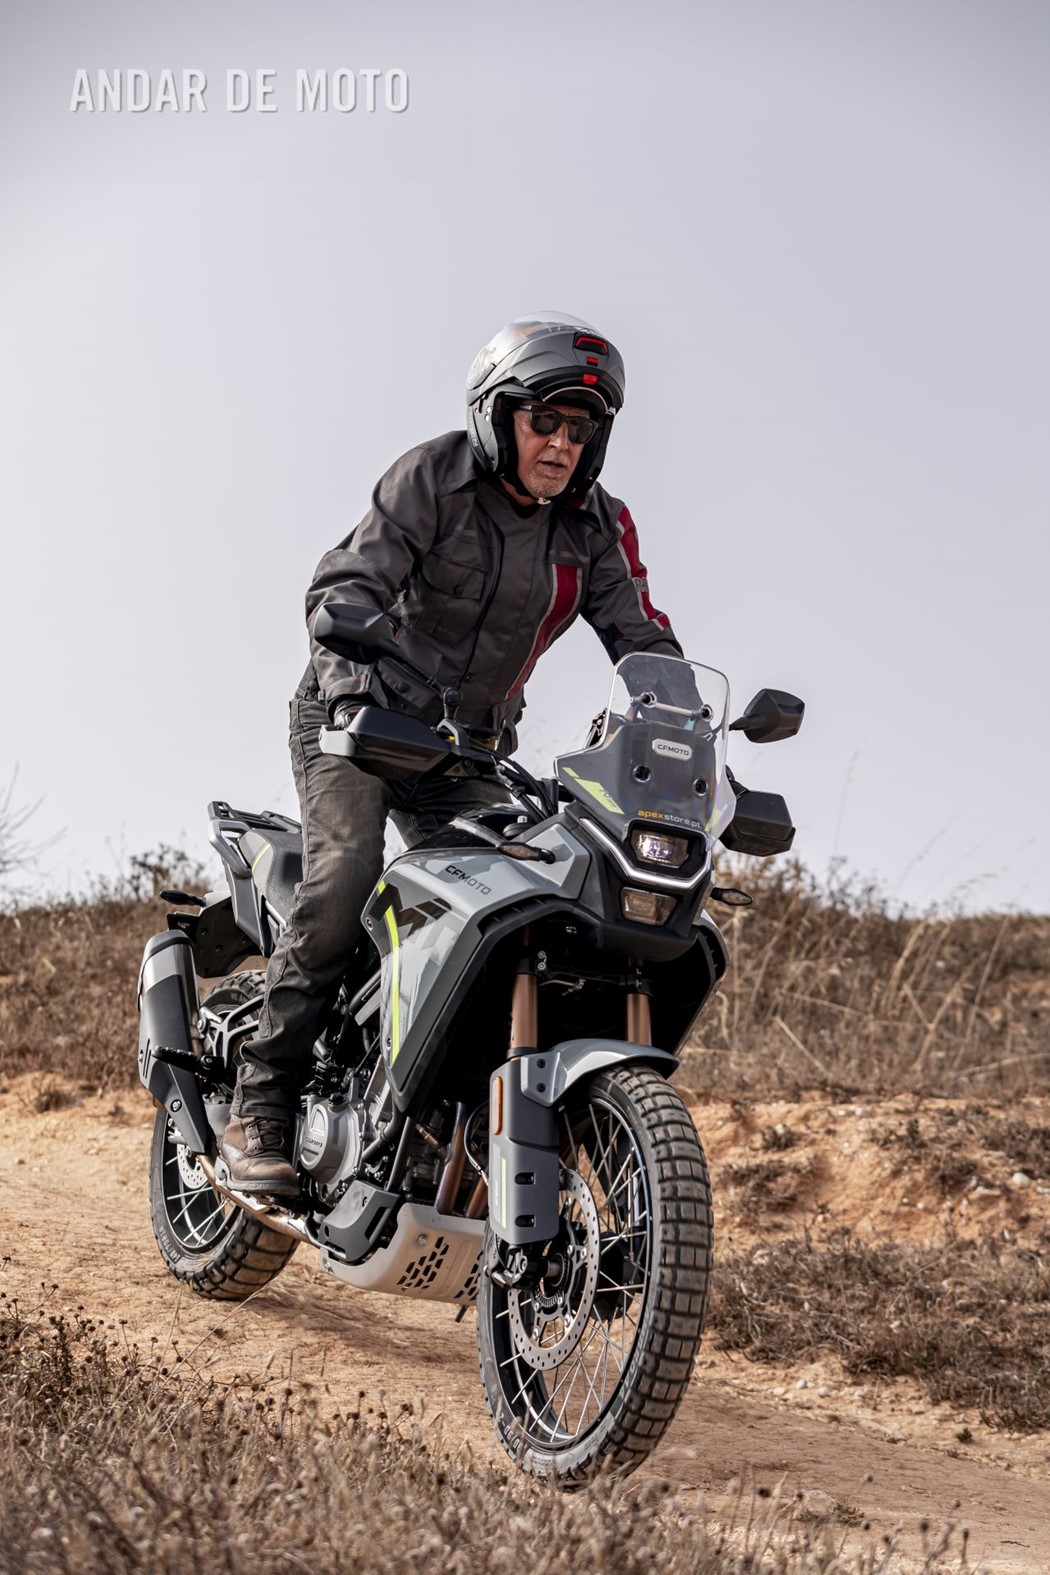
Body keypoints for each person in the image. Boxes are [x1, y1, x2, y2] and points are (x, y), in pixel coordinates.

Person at [220, 313, 683, 1194]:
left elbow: (643, 640)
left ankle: (432, 1122)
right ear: (498, 415)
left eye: (580, 429)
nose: (561, 444)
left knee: (511, 908)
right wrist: (352, 695)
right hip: (357, 718)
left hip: (467, 754)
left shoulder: (596, 526)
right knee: (347, 875)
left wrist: (685, 732)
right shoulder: (432, 478)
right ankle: (263, 1102)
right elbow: (345, 587)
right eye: (544, 420)